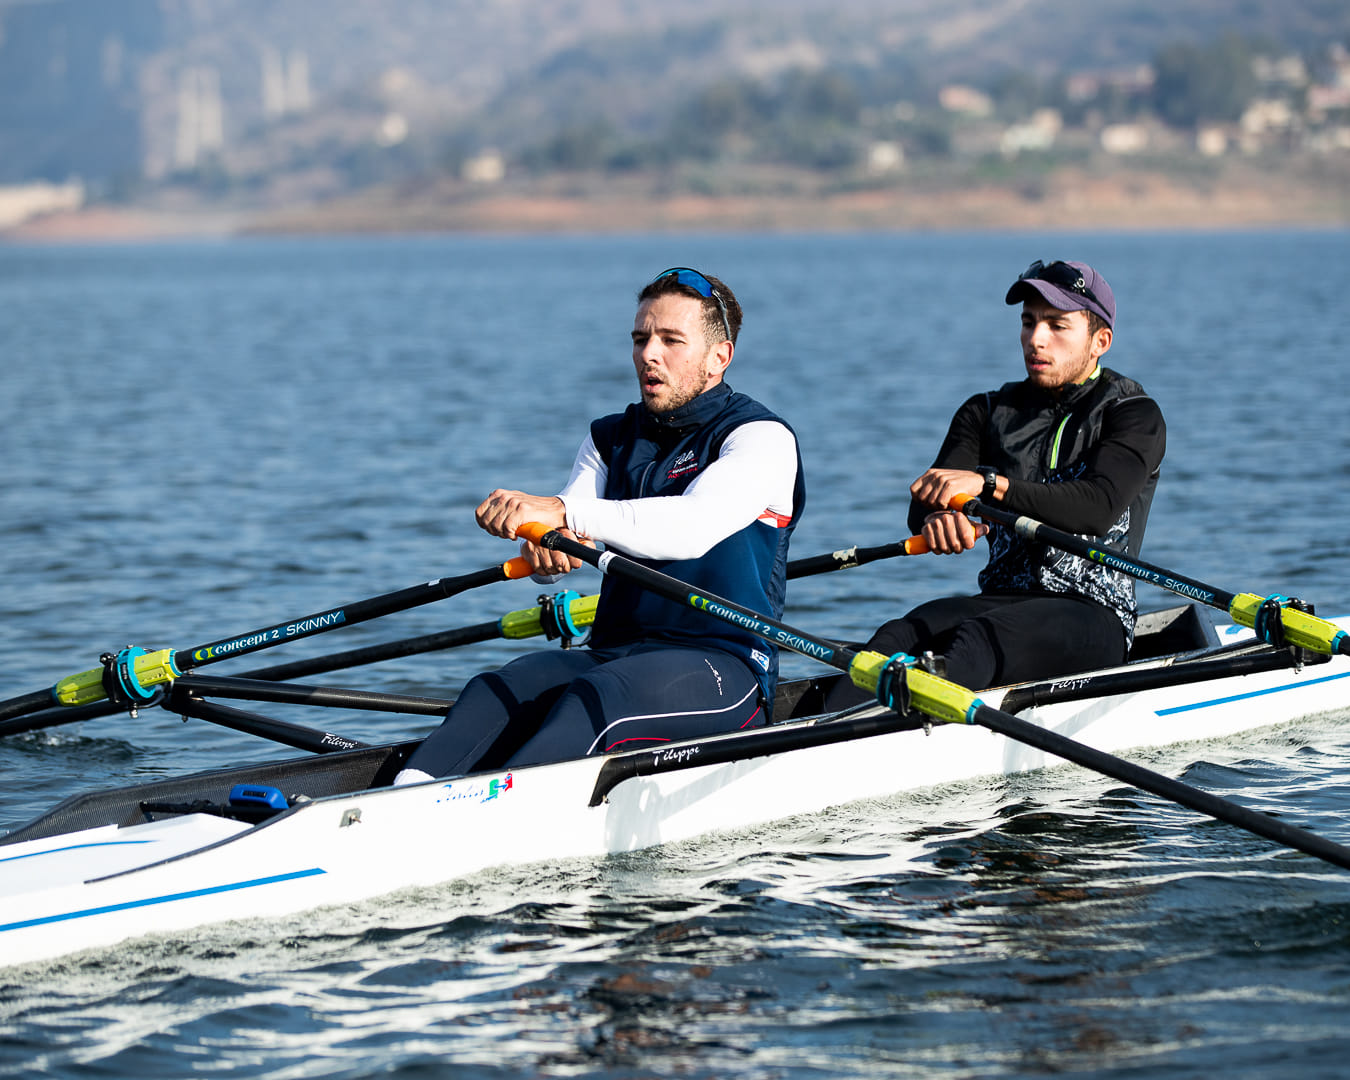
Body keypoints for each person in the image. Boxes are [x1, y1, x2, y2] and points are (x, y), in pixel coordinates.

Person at [395, 267, 806, 783]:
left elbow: (691, 528)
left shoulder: (759, 437)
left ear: (719, 357)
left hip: (722, 665)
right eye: (640, 339)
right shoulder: (610, 437)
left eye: (671, 340)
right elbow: (570, 538)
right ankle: (402, 796)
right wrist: (548, 548)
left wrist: (563, 515)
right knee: (500, 686)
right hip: (615, 651)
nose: (648, 355)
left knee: (600, 696)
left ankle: (493, 812)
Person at [825, 258, 1165, 706]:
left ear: (1100, 341)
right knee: (900, 634)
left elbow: (1096, 508)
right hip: (1002, 599)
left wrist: (990, 485)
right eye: (1029, 322)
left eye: (1057, 326)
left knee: (980, 638)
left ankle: (891, 733)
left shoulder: (1133, 414)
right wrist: (942, 517)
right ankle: (807, 742)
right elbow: (927, 503)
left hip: (1092, 615)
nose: (1036, 339)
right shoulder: (984, 412)